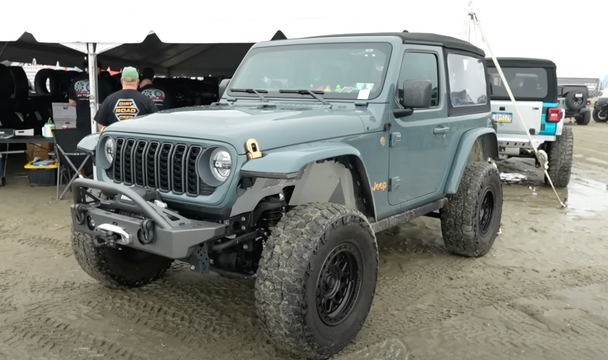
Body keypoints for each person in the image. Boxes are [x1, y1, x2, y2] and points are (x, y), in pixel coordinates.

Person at [94, 67, 158, 132]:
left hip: (115, 140)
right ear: (138, 81)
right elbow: (156, 123)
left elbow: (101, 124)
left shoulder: (109, 100)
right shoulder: (147, 101)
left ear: (121, 81)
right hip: (139, 141)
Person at [68, 58, 114, 131]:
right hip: (99, 121)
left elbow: (72, 102)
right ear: (99, 69)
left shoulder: (75, 81)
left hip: (81, 120)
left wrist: (83, 103)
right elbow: (111, 101)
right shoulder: (104, 82)